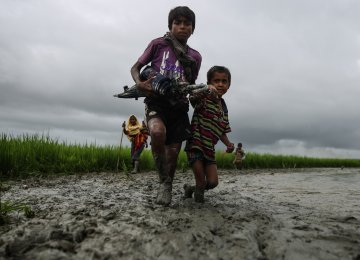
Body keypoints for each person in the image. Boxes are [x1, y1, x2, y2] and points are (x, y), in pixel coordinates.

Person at [130, 6, 202, 205]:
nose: (182, 27)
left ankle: (167, 185)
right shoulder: (158, 44)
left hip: (179, 106)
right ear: (170, 26)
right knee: (157, 132)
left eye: (187, 24)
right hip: (156, 101)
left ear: (193, 28)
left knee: (173, 151)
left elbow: (190, 83)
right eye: (177, 23)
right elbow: (135, 67)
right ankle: (163, 182)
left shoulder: (195, 57)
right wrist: (139, 82)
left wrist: (194, 94)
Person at [184, 66, 235, 203]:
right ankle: (198, 208)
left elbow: (222, 130)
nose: (220, 84)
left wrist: (229, 144)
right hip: (196, 145)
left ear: (228, 85)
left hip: (209, 150)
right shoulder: (204, 97)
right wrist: (205, 90)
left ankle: (190, 189)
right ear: (209, 83)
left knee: (213, 183)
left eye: (224, 81)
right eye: (216, 81)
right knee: (201, 183)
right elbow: (192, 98)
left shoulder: (223, 108)